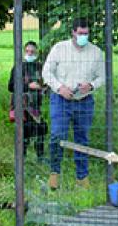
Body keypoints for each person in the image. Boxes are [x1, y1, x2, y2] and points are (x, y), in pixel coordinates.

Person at [42, 18, 104, 190]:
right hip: (61, 99)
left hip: (84, 101)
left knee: (82, 139)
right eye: (80, 33)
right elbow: (46, 72)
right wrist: (59, 87)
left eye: (86, 33)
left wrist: (91, 85)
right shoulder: (59, 49)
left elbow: (102, 76)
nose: (84, 36)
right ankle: (54, 174)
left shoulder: (96, 52)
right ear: (73, 32)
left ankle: (82, 178)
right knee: (57, 136)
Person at [8, 41, 47, 160]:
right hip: (22, 105)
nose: (30, 53)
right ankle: (22, 157)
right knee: (24, 131)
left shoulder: (41, 67)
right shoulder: (18, 66)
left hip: (36, 105)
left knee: (41, 129)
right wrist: (29, 86)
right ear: (24, 52)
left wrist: (43, 87)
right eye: (28, 51)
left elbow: (45, 83)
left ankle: (40, 156)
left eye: (33, 51)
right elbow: (11, 86)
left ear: (37, 53)